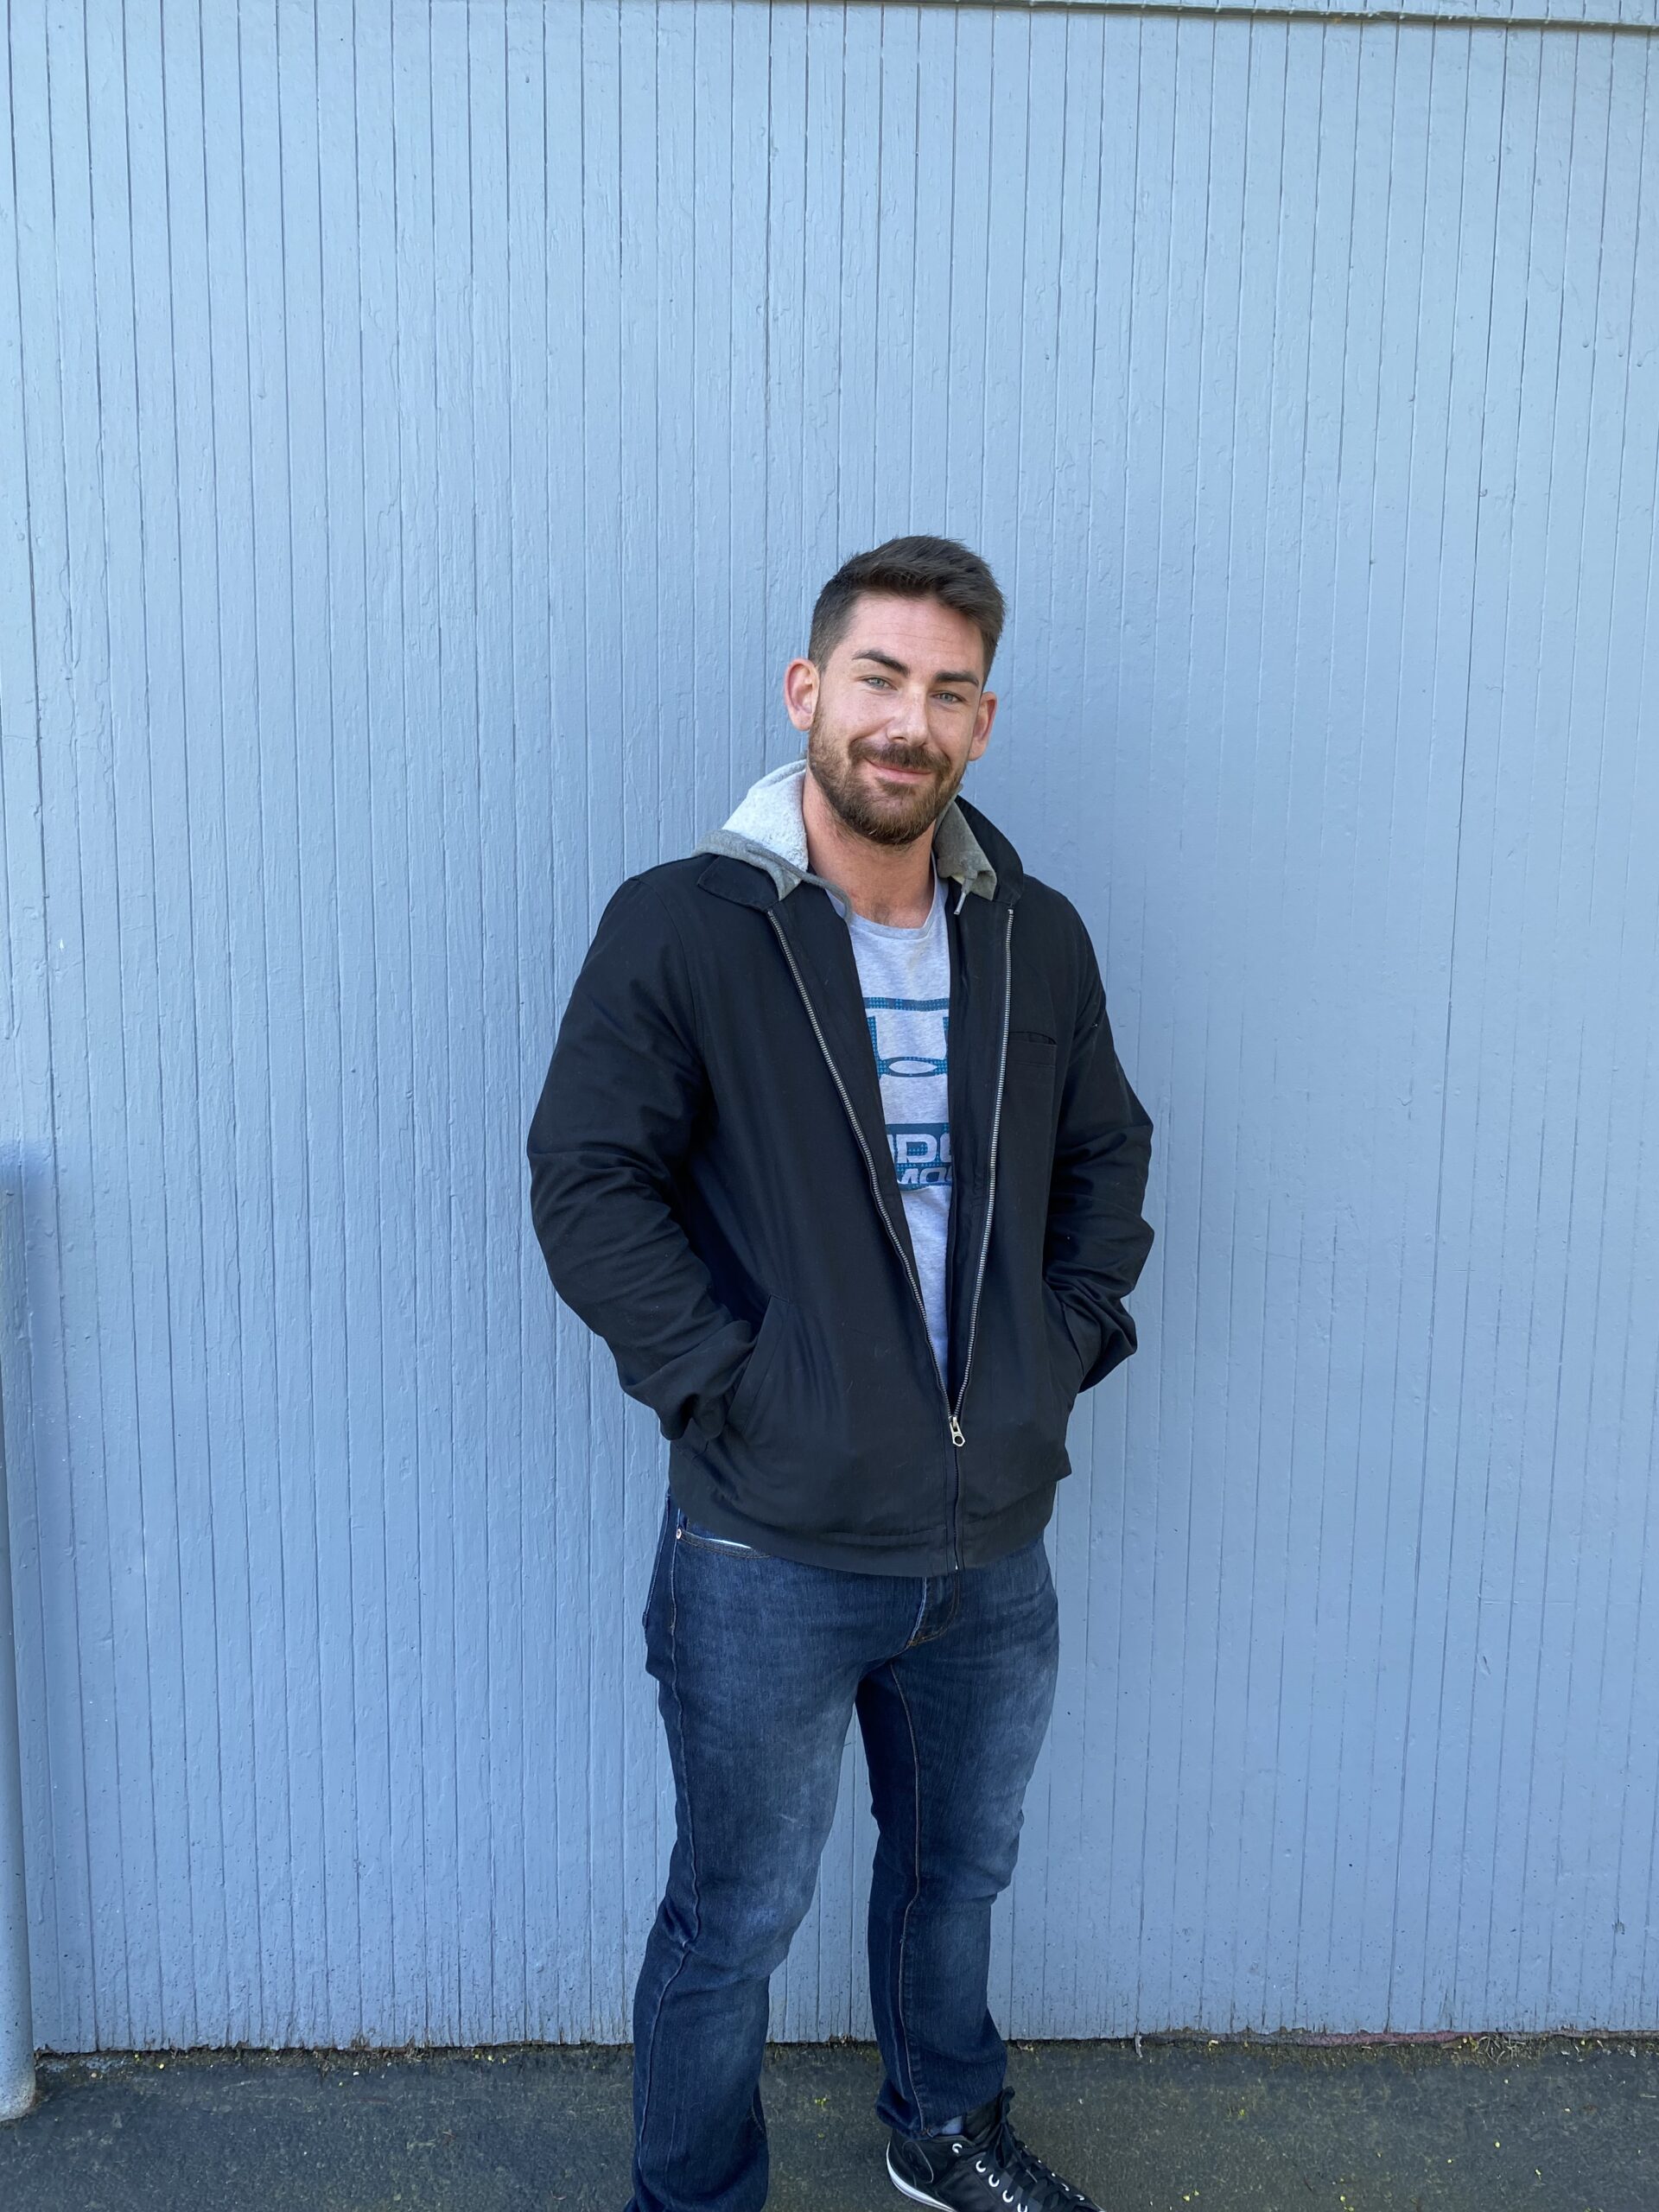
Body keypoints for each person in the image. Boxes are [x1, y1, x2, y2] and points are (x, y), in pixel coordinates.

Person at [527, 536, 1154, 2212]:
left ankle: (941, 2128)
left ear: (983, 720)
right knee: (735, 1911)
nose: (909, 717)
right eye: (879, 677)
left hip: (991, 1541)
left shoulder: (1039, 939)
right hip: (770, 1541)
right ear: (810, 691)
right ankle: (695, 2193)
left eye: (947, 688)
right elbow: (588, 1175)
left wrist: (1057, 1355)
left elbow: (1108, 1156)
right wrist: (734, 1387)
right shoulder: (688, 924)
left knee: (959, 1877)